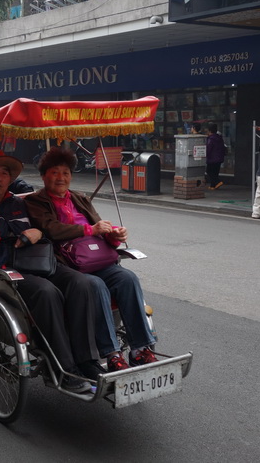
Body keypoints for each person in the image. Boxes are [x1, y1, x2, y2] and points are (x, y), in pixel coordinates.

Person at [0, 150, 91, 392]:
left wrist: (38, 232)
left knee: (80, 282)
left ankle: (88, 359)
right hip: (1, 273)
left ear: (11, 179)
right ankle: (64, 370)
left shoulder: (19, 203)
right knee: (47, 292)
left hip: (36, 262)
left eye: (4, 173)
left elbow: (44, 229)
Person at [25, 147, 158, 375]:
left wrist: (113, 234)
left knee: (127, 278)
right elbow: (51, 229)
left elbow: (98, 226)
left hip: (95, 260)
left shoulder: (79, 198)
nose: (61, 178)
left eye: (65, 173)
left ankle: (140, 348)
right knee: (95, 285)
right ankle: (111, 352)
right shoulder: (36, 201)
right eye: (55, 172)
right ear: (44, 176)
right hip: (66, 265)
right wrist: (88, 229)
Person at [206, 122, 227, 190]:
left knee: (209, 171)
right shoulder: (219, 138)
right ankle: (213, 186)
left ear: (209, 130)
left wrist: (206, 155)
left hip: (212, 158)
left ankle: (218, 182)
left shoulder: (211, 139)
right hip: (219, 158)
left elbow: (208, 149)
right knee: (215, 172)